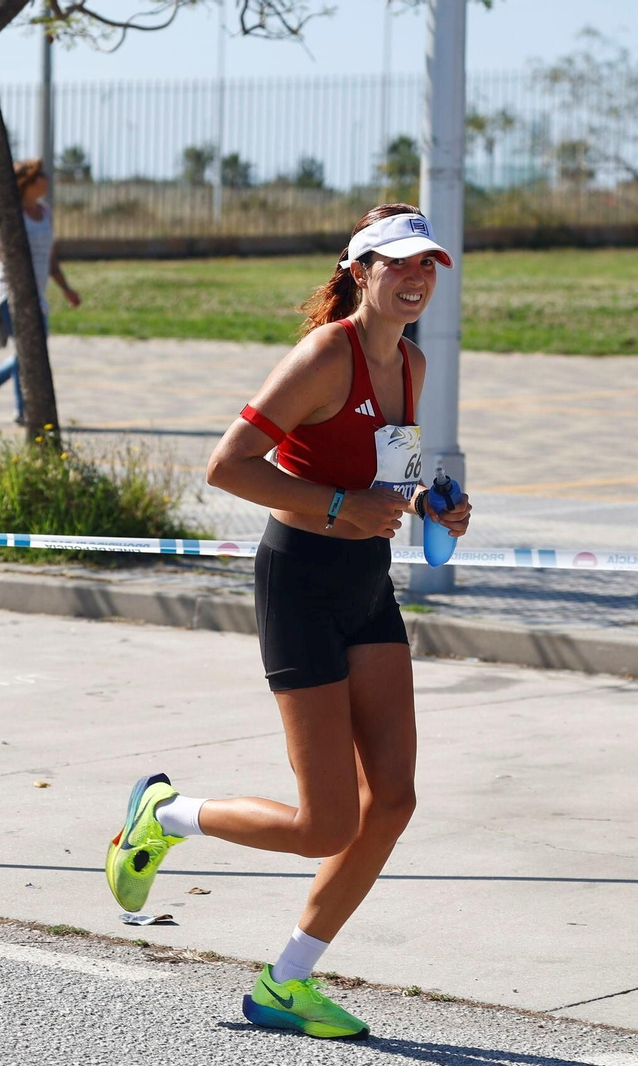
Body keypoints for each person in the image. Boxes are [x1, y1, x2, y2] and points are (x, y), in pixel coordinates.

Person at [103, 204, 473, 1040]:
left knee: (395, 801)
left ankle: (286, 981)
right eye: (398, 264)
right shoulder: (322, 355)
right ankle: (164, 815)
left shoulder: (410, 365)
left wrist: (433, 506)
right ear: (360, 272)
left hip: (366, 585)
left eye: (428, 266)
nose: (416, 278)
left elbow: (395, 473)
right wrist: (342, 505)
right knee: (325, 825)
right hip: (300, 582)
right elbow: (226, 465)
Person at [0, 159, 81, 425]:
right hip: (7, 291)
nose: (46, 179)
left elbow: (50, 260)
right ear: (27, 182)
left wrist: (66, 289)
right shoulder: (9, 215)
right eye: (41, 175)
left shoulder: (45, 212)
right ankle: (22, 410)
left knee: (31, 349)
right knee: (30, 348)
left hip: (36, 295)